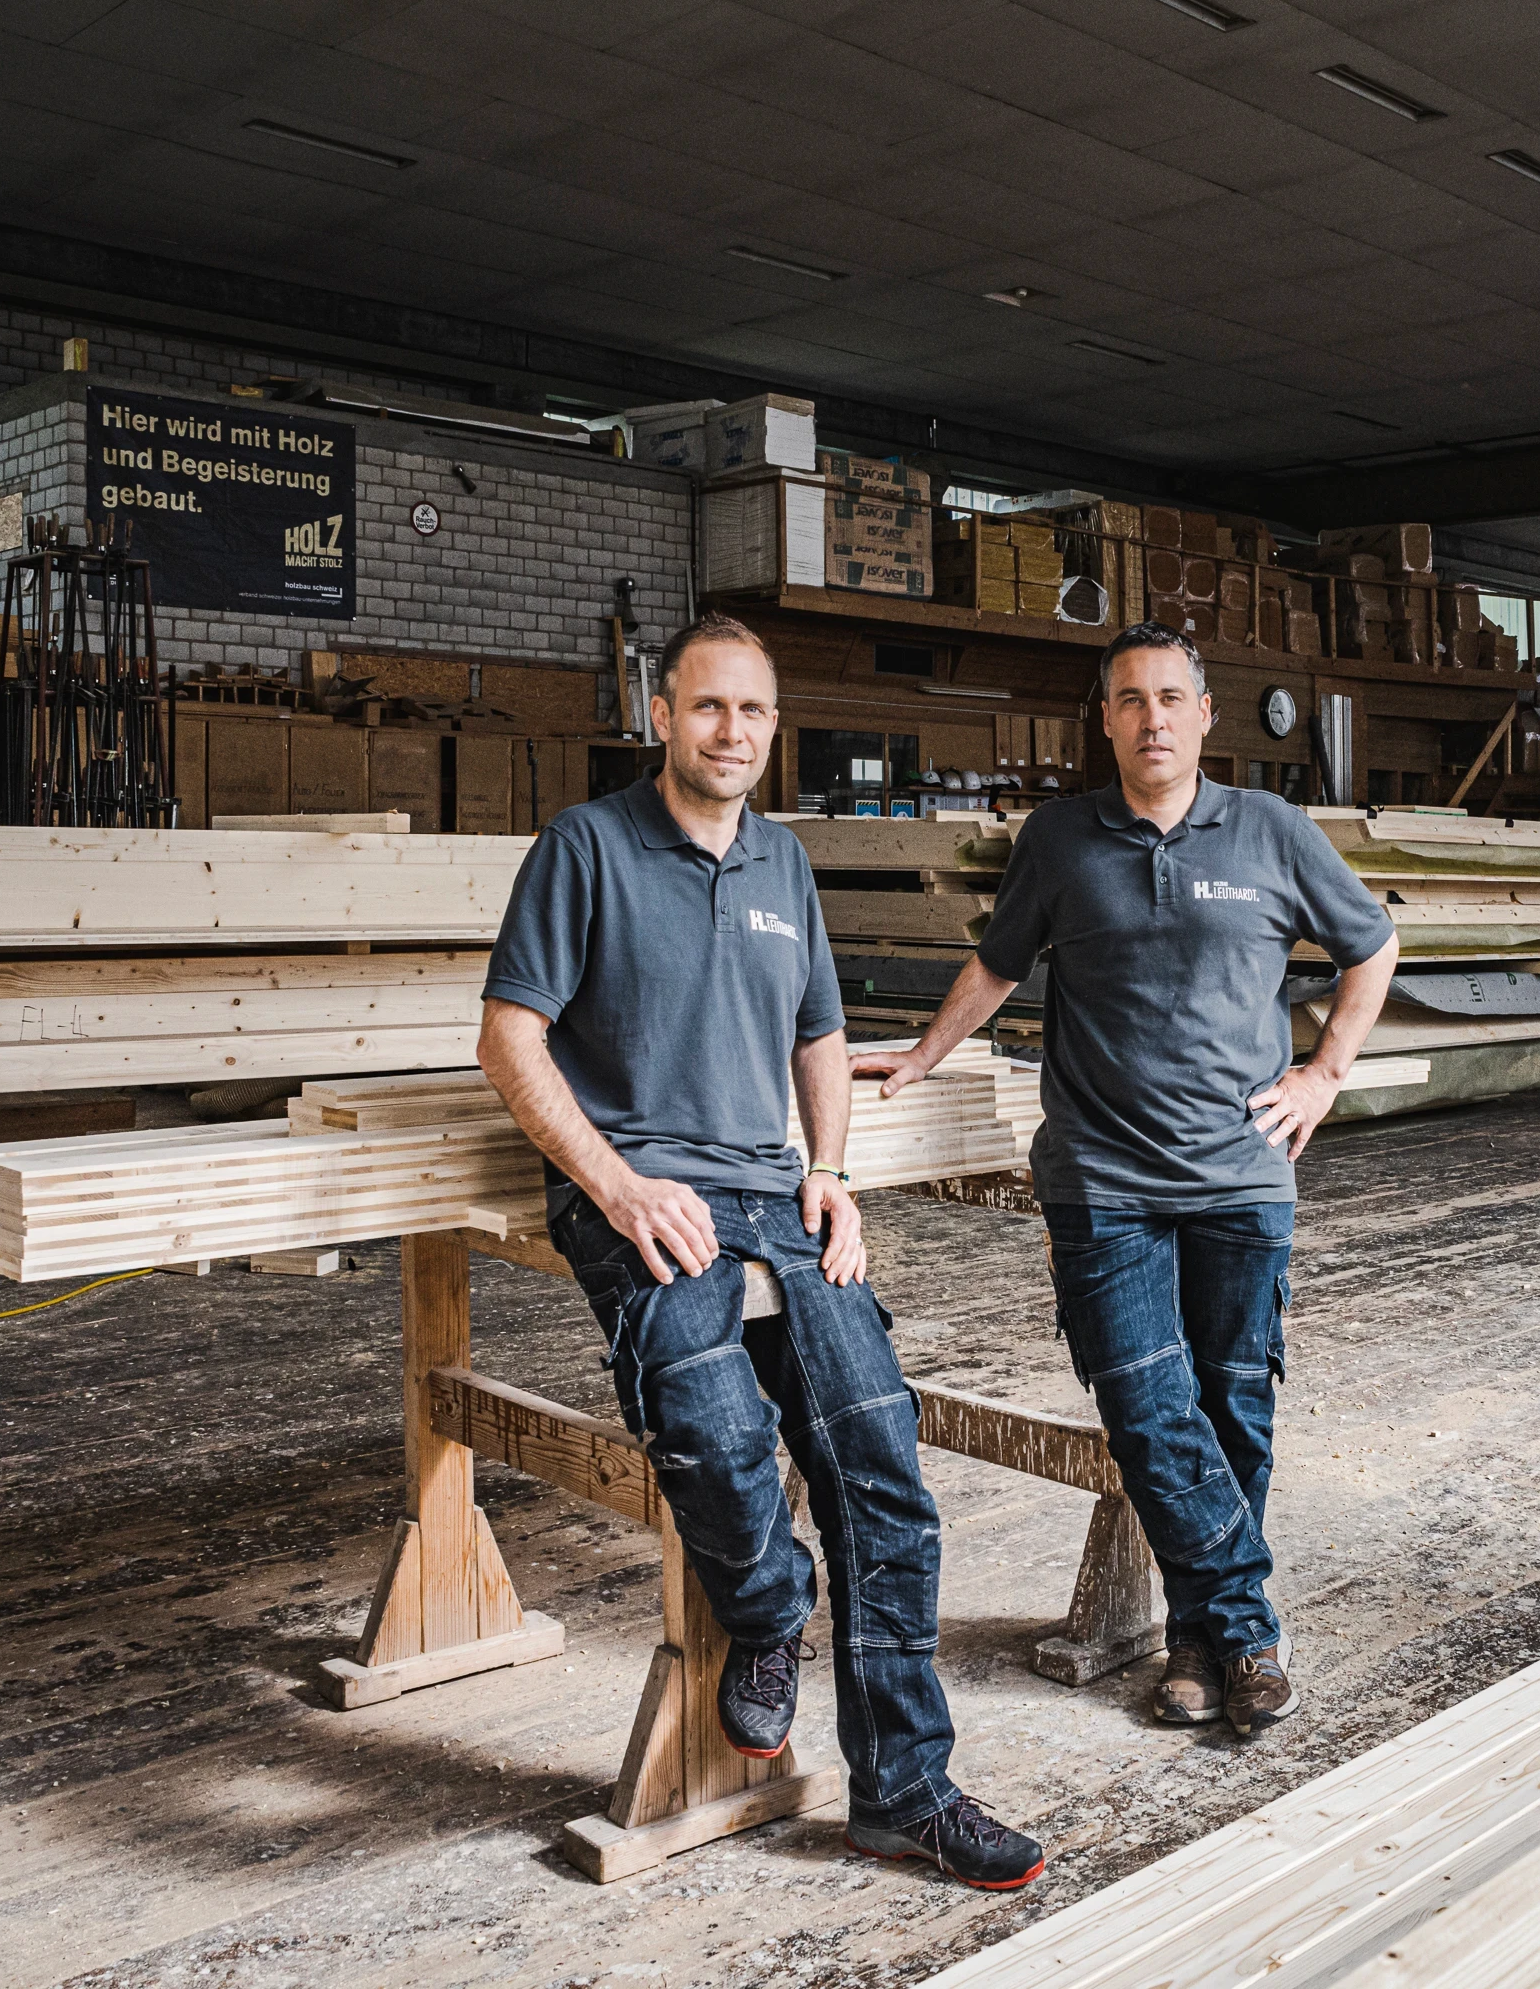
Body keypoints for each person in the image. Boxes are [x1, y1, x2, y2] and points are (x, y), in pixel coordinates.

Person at [477, 614, 1044, 1891]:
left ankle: (903, 1789)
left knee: (881, 1458)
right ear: (664, 715)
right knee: (718, 1433)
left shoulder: (785, 862)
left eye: (753, 713)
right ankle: (772, 1606)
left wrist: (829, 1174)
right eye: (707, 707)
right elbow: (510, 1038)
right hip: (641, 1196)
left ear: (773, 732)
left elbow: (818, 1036)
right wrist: (616, 1186)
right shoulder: (585, 847)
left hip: (771, 1198)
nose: (731, 732)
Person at [854, 623, 1396, 1738]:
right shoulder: (1059, 839)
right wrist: (918, 1056)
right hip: (1104, 1175)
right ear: (1103, 719)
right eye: (1130, 699)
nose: (1153, 717)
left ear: (1205, 713)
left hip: (1243, 1173)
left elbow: (1371, 944)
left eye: (1171, 697)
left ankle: (1201, 1640)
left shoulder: (1271, 831)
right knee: (1149, 1410)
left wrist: (1326, 1073)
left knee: (1234, 1406)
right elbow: (999, 963)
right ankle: (1250, 1622)